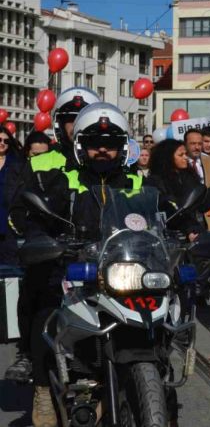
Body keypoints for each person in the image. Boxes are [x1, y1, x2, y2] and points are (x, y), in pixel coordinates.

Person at [19, 103, 145, 426]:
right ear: (80, 146)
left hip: (123, 274)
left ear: (123, 147)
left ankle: (155, 389)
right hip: (76, 276)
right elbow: (34, 215)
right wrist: (44, 241)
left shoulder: (137, 182)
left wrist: (185, 229)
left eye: (112, 143)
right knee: (47, 315)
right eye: (94, 142)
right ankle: (44, 389)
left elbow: (165, 211)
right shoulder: (60, 180)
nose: (103, 149)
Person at [4, 87, 100, 387]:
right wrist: (37, 238)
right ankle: (35, 367)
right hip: (57, 257)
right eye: (71, 118)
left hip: (103, 258)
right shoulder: (39, 163)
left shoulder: (110, 163)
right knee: (38, 290)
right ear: (59, 123)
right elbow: (18, 211)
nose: (76, 125)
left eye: (83, 118)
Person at [147, 138, 210, 306]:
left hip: (190, 228)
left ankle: (196, 287)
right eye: (180, 154)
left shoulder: (188, 176)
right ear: (168, 157)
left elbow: (199, 203)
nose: (185, 158)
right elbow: (171, 207)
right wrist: (188, 228)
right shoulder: (156, 180)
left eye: (185, 154)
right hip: (168, 234)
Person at [0, 126, 22, 264]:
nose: (2, 143)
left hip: (8, 224)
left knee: (10, 269)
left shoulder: (16, 162)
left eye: (6, 141)